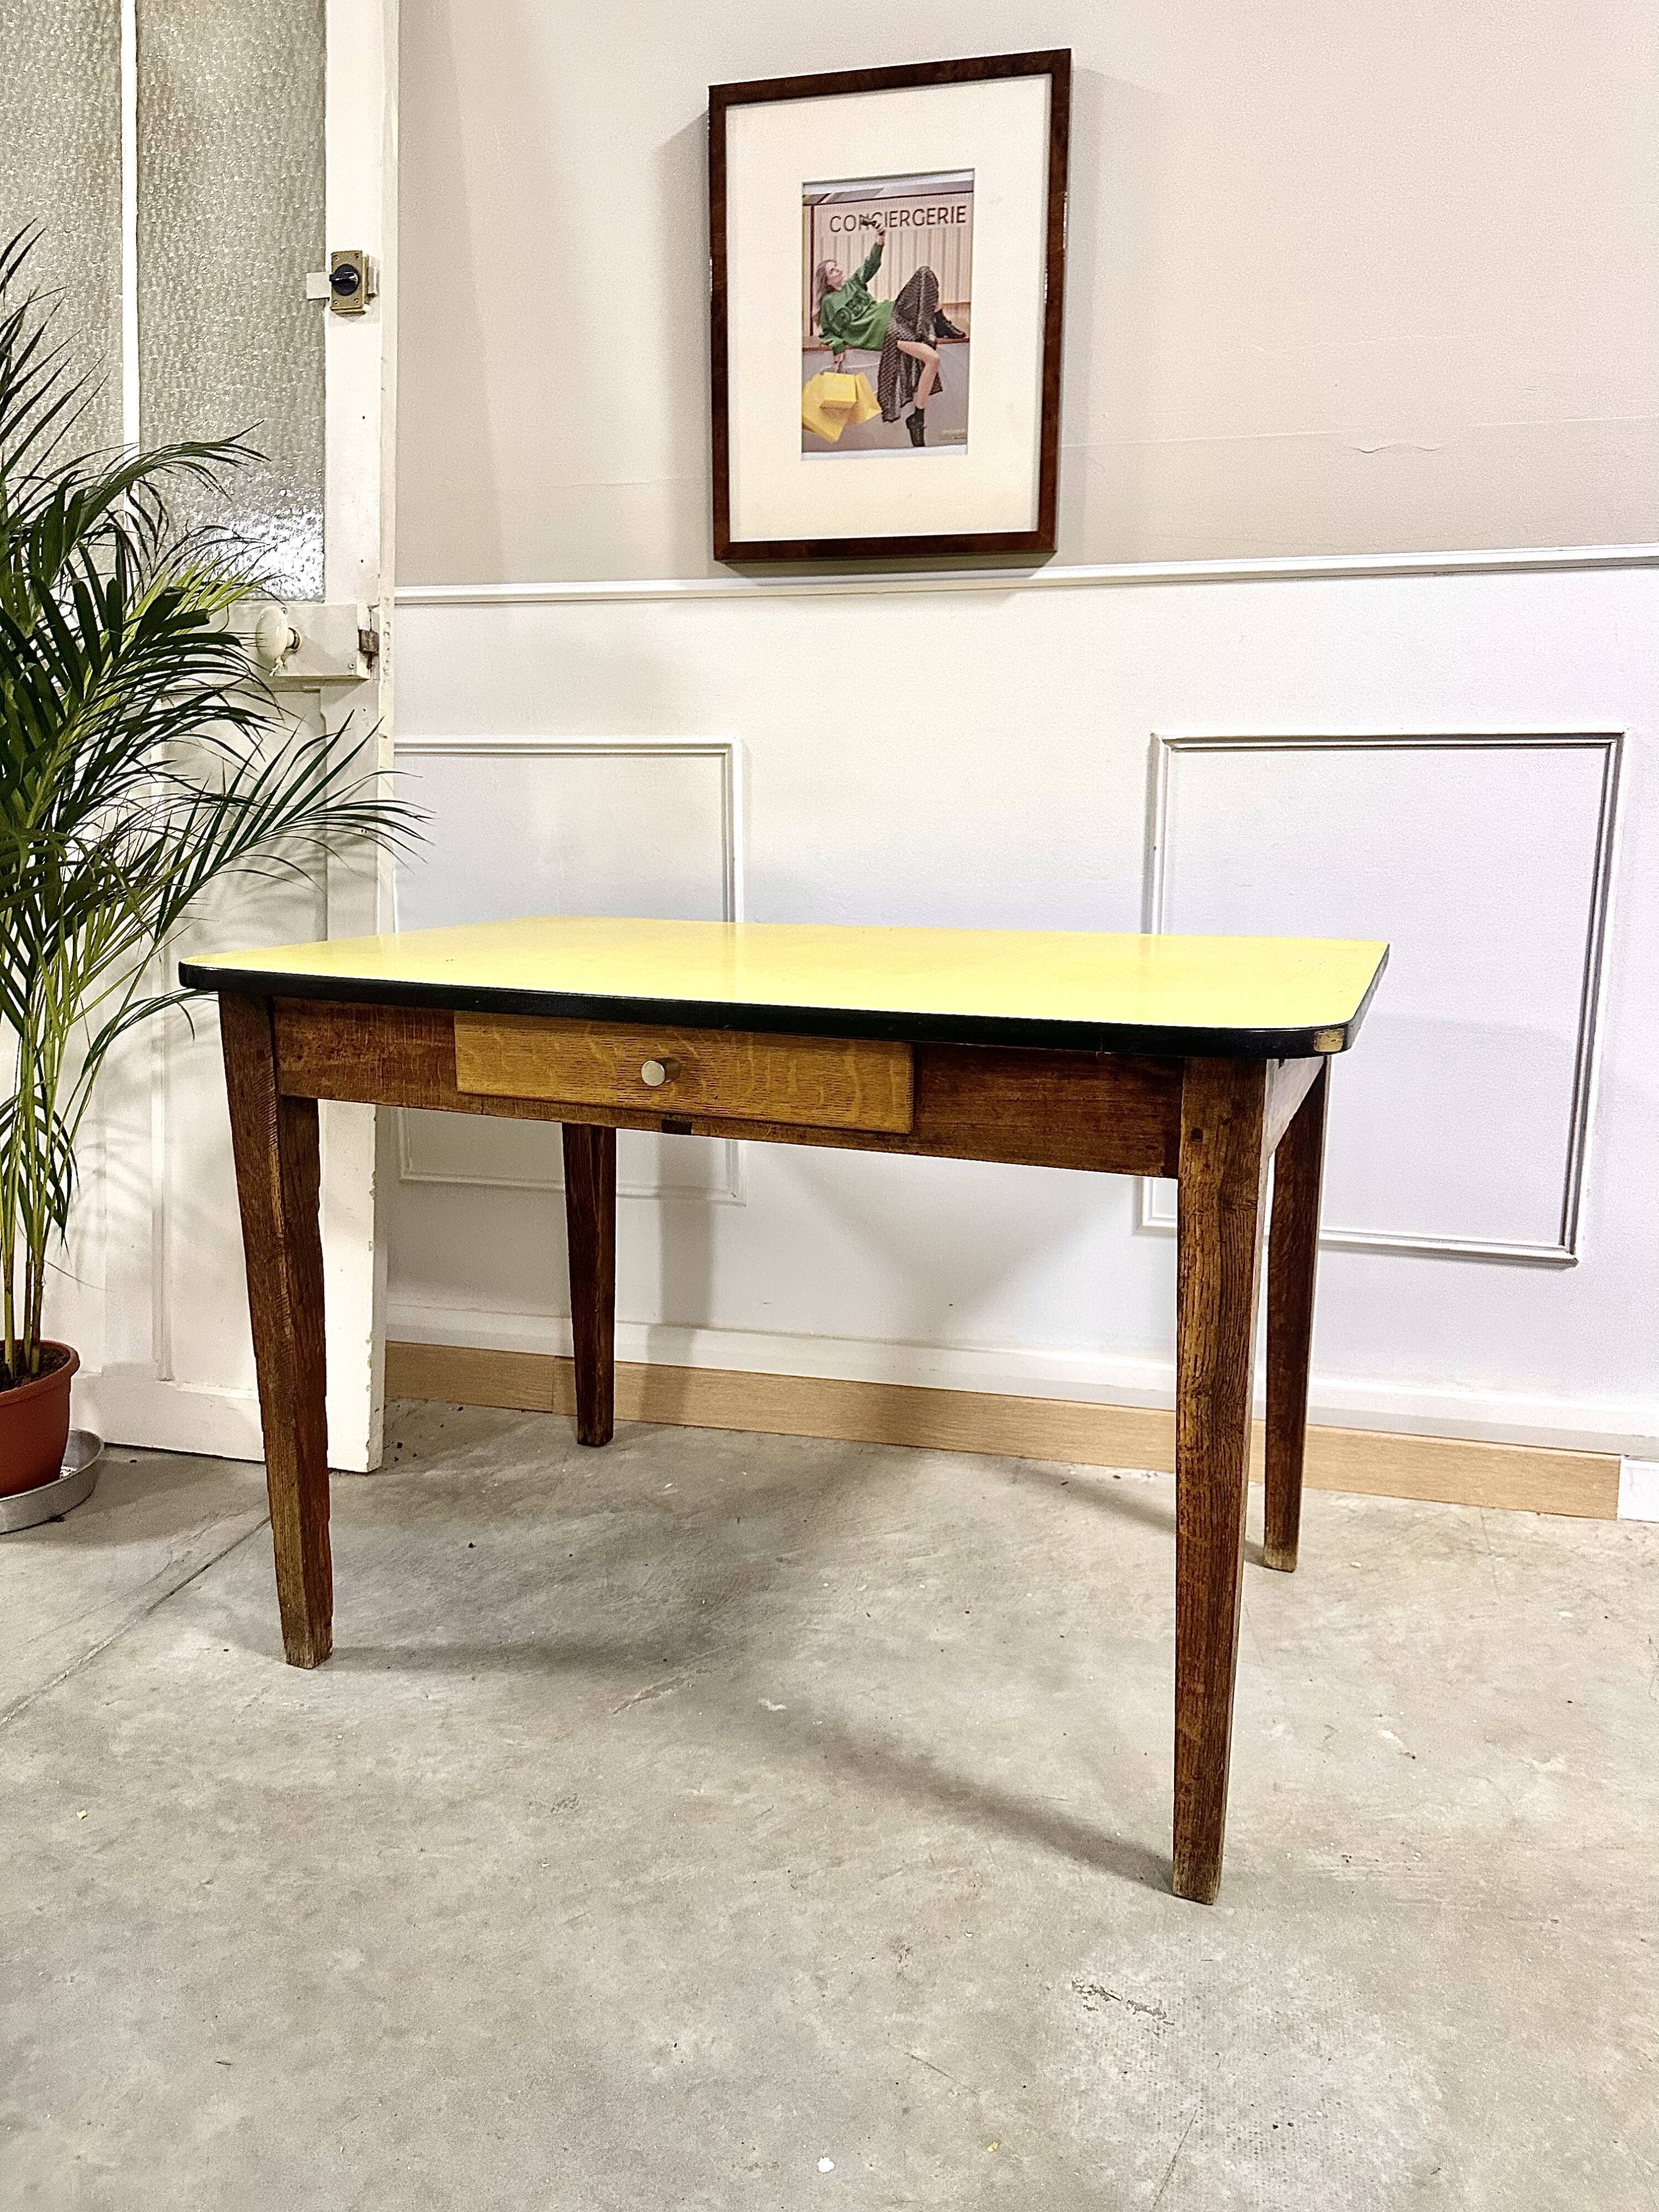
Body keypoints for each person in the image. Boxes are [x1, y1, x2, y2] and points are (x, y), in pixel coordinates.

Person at [813, 225, 964, 447]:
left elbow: (870, 265)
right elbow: (827, 333)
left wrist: (880, 240)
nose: (839, 271)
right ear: (827, 281)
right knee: (933, 359)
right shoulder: (828, 304)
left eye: (837, 268)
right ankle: (917, 419)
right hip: (889, 333)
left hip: (895, 311)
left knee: (925, 275)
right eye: (833, 271)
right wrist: (837, 346)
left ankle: (941, 322)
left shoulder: (854, 284)